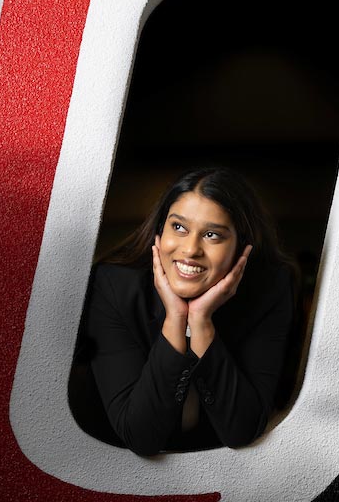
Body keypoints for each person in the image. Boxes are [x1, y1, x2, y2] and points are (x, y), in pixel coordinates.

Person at [71, 166, 298, 456]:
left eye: (213, 235)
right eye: (178, 227)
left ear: (242, 248)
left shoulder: (269, 291)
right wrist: (175, 319)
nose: (191, 249)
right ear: (159, 231)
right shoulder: (114, 286)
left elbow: (241, 430)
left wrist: (201, 322)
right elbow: (140, 436)